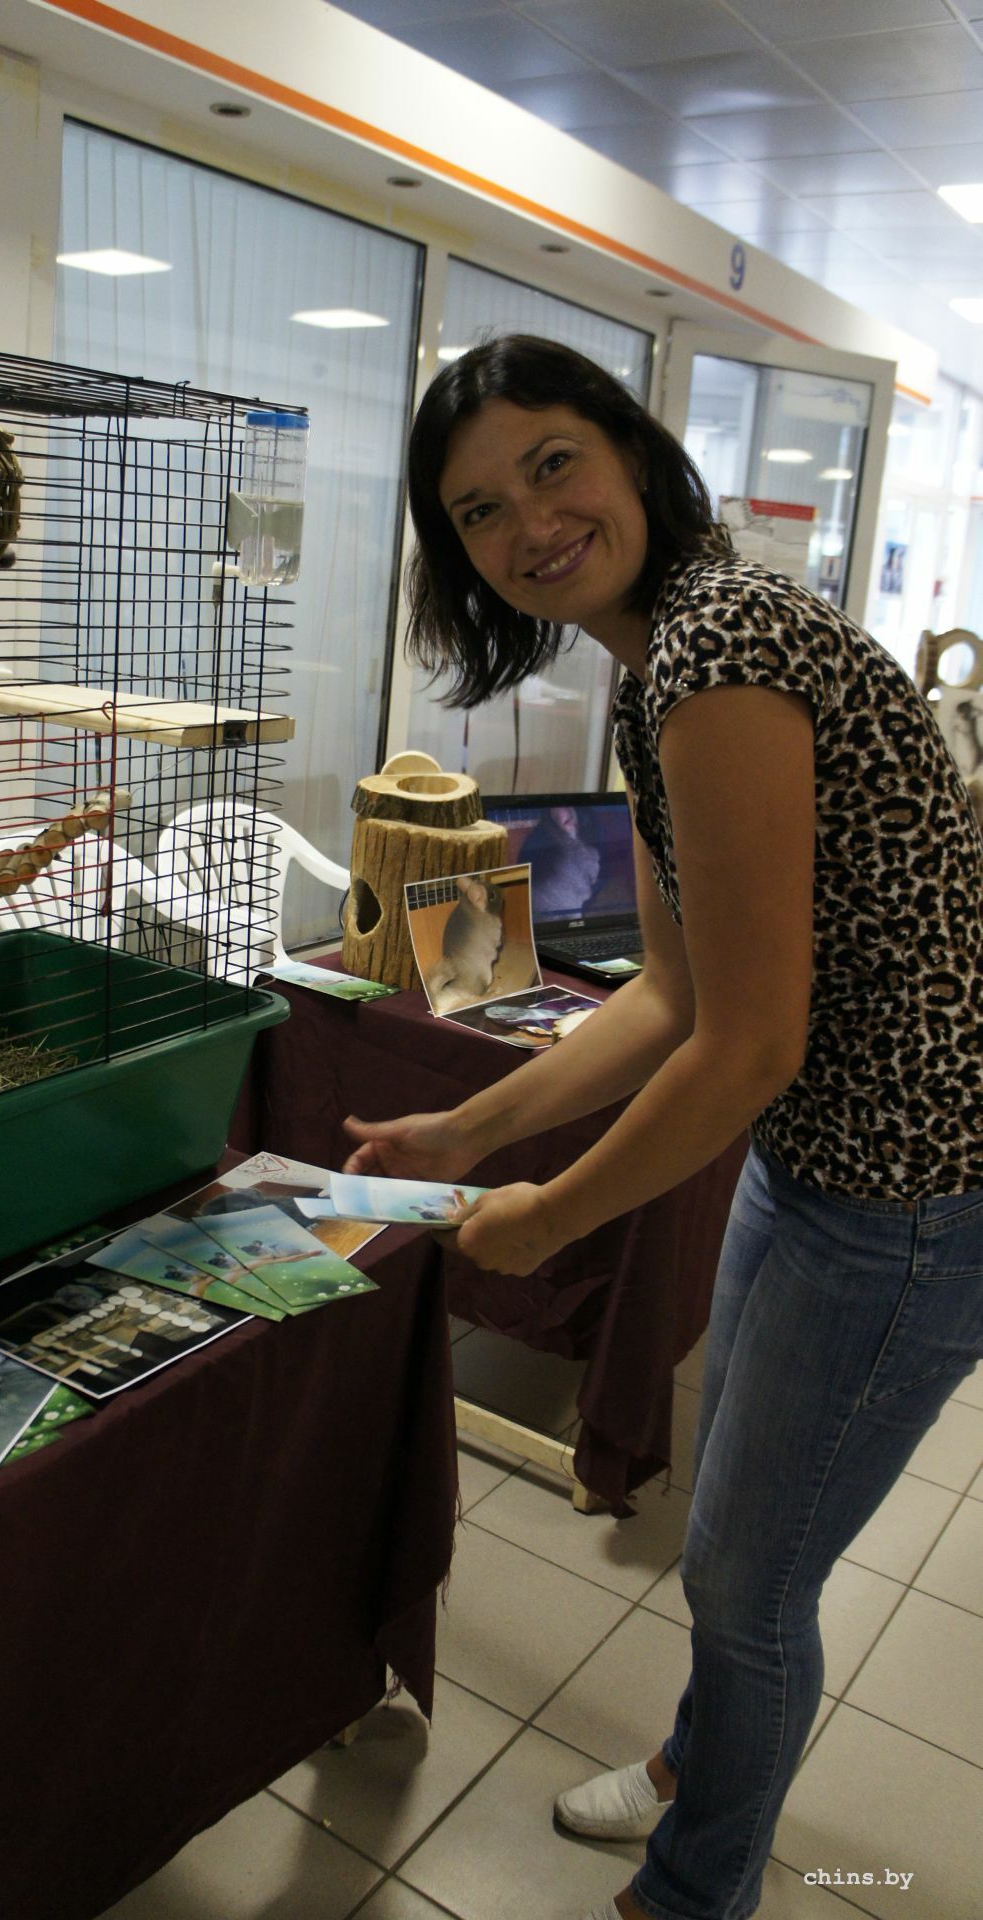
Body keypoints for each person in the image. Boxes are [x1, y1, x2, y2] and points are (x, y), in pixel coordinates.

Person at [342, 336, 983, 1920]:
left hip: (915, 1193)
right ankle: (704, 1767)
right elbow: (672, 998)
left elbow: (747, 1042)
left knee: (750, 1581)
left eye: (552, 464)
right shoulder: (660, 659)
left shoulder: (721, 648)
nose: (531, 526)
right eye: (481, 511)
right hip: (817, 1156)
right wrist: (464, 1137)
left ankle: (694, 1893)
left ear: (629, 448)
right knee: (735, 1545)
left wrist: (546, 1217)